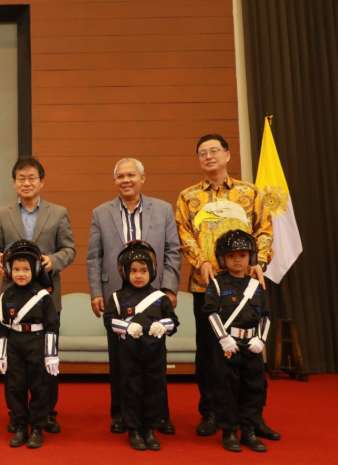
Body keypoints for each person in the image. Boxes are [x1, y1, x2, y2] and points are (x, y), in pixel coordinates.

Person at [175, 134, 278, 439]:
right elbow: (184, 234)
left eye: (214, 151)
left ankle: (252, 416)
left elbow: (264, 229)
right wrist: (201, 261)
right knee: (210, 352)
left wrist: (259, 260)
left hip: (246, 285)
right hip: (206, 285)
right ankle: (211, 412)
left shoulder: (250, 192)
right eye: (202, 153)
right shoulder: (188, 197)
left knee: (250, 351)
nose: (208, 156)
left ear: (227, 155)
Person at [87, 158, 181, 435]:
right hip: (117, 297)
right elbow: (94, 256)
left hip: (154, 295)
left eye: (131, 175)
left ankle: (160, 416)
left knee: (156, 359)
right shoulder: (101, 212)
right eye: (120, 176)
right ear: (114, 180)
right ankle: (120, 415)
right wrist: (96, 292)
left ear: (142, 178)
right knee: (120, 360)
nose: (125, 180)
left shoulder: (162, 209)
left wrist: (169, 288)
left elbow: (173, 250)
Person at [0, 157, 75, 434]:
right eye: (21, 178)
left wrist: (53, 261)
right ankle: (18, 415)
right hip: (12, 297)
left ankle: (46, 413)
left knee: (47, 359)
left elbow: (69, 249)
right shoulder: (2, 213)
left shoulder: (58, 212)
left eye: (32, 177)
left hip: (46, 294)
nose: (26, 183)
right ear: (14, 182)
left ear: (41, 181)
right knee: (16, 365)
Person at [103, 241, 179, 451]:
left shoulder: (160, 298)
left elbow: (174, 322)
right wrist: (126, 326)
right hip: (129, 353)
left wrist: (163, 325)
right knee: (131, 390)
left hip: (155, 353)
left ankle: (149, 429)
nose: (139, 275)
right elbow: (109, 321)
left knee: (154, 390)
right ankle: (134, 430)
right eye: (134, 271)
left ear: (152, 271)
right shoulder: (117, 297)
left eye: (144, 271)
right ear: (125, 272)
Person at [203, 230, 271, 453]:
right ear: (223, 258)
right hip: (228, 346)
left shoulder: (256, 285)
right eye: (231, 256)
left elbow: (265, 316)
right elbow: (211, 312)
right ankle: (230, 431)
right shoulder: (217, 284)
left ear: (251, 257)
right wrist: (224, 338)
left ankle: (249, 430)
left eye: (243, 255)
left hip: (252, 346)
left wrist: (260, 340)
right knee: (227, 388)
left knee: (254, 387)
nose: (238, 260)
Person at [0, 240, 59, 449]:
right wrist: (1, 355)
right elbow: (2, 327)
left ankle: (37, 428)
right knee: (15, 387)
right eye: (16, 269)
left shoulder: (43, 296)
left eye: (26, 269)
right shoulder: (6, 296)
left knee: (39, 387)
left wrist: (51, 355)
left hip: (37, 343)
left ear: (35, 270)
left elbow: (51, 326)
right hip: (15, 345)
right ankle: (21, 426)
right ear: (8, 270)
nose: (20, 274)